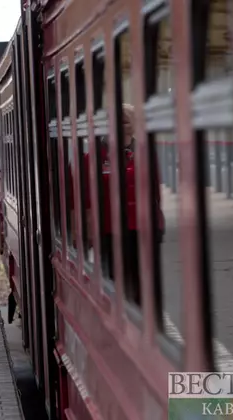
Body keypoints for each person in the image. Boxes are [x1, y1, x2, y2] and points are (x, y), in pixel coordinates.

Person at [98, 104, 164, 304]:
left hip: (141, 228)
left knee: (141, 281)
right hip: (110, 229)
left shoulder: (145, 153)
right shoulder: (97, 154)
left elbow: (154, 191)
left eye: (126, 120)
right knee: (114, 280)